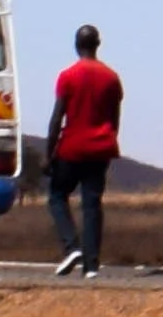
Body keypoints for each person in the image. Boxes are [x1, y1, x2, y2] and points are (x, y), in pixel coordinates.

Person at [43, 21, 122, 279]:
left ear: (76, 46)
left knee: (57, 195)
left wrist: (48, 154)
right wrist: (108, 144)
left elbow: (57, 118)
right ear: (98, 44)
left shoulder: (68, 76)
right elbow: (115, 119)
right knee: (92, 204)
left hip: (72, 148)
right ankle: (91, 266)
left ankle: (71, 247)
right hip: (101, 148)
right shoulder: (112, 77)